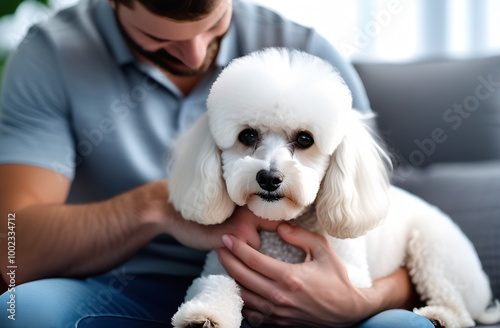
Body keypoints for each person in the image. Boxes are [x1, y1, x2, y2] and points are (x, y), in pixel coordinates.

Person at [0, 0, 434, 327]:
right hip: (125, 285)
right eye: (160, 38)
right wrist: (159, 207)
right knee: (21, 312)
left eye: (213, 26)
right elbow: (13, 250)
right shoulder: (52, 54)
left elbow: (379, 211)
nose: (194, 55)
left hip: (325, 282)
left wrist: (363, 301)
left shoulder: (309, 55)